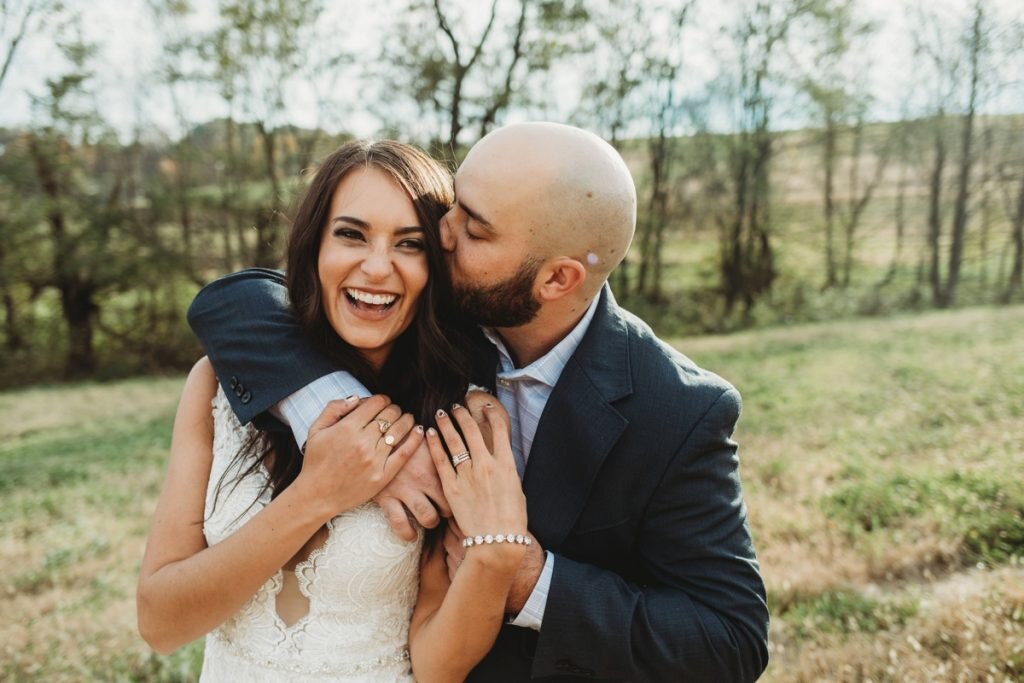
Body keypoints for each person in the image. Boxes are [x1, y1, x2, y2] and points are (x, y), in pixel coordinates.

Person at [189, 123, 770, 681]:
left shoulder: (679, 411)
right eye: (453, 207)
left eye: (475, 229)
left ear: (556, 280)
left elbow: (730, 643)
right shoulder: (436, 318)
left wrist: (528, 579)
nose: (442, 232)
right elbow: (239, 301)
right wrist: (350, 424)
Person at [137, 139, 535, 682]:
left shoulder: (457, 416)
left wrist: (494, 560)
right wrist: (319, 492)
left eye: (409, 244)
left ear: (435, 266)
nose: (376, 267)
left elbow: (437, 667)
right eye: (350, 234)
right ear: (314, 247)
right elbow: (160, 623)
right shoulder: (215, 385)